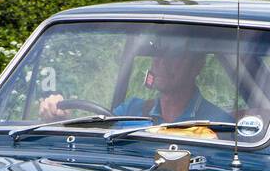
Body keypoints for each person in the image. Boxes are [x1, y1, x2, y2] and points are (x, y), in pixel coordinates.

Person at [37, 51, 230, 125]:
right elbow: (93, 140)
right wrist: (61, 118)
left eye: (174, 54)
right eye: (157, 54)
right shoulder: (130, 110)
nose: (160, 62)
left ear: (197, 65)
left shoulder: (219, 123)